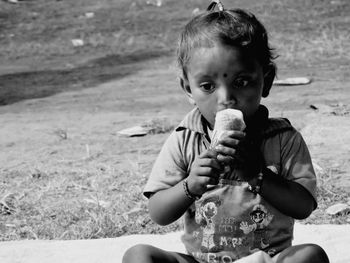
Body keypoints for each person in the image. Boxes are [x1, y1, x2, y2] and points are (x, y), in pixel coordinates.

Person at [122, 1, 330, 262]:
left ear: (266, 80)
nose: (226, 98)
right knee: (138, 255)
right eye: (208, 86)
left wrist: (259, 175)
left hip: (269, 258)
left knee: (311, 255)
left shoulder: (283, 139)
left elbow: (303, 206)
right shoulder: (186, 138)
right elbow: (158, 213)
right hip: (201, 259)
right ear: (188, 89)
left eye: (241, 82)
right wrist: (189, 186)